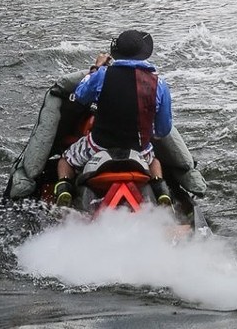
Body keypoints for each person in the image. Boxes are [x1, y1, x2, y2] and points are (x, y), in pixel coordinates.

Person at [54, 29, 174, 207]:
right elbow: (163, 130)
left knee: (65, 159)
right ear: (143, 55)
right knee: (155, 160)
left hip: (98, 146)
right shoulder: (160, 84)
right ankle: (160, 189)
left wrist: (97, 67)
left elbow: (80, 95)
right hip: (139, 151)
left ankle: (64, 188)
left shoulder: (102, 75)